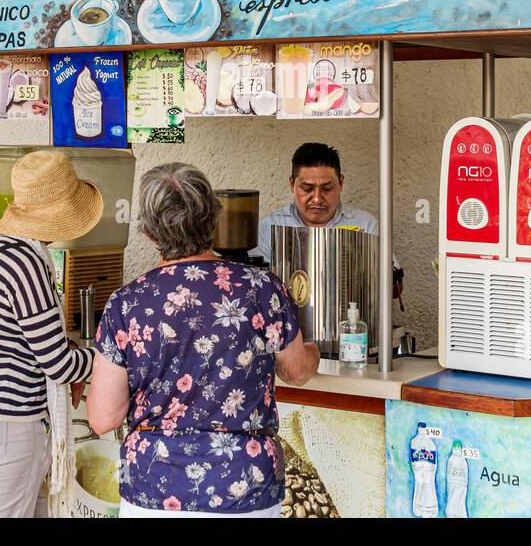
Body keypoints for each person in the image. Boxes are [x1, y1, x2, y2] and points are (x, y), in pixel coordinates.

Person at [86, 163, 320, 516]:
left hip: (153, 487)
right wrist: (313, 351)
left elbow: (103, 417)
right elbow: (297, 371)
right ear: (213, 220)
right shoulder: (261, 289)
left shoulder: (128, 303)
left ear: (149, 232)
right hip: (245, 487)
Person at [0, 149, 102, 517]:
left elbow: (32, 341)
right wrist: (107, 359)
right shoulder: (27, 262)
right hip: (5, 428)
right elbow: (59, 365)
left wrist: (73, 352)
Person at [256, 142, 403, 293]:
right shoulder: (270, 227)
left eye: (327, 188)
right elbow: (256, 288)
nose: (317, 199)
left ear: (341, 183)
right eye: (307, 188)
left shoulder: (365, 225)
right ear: (292, 184)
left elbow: (395, 288)